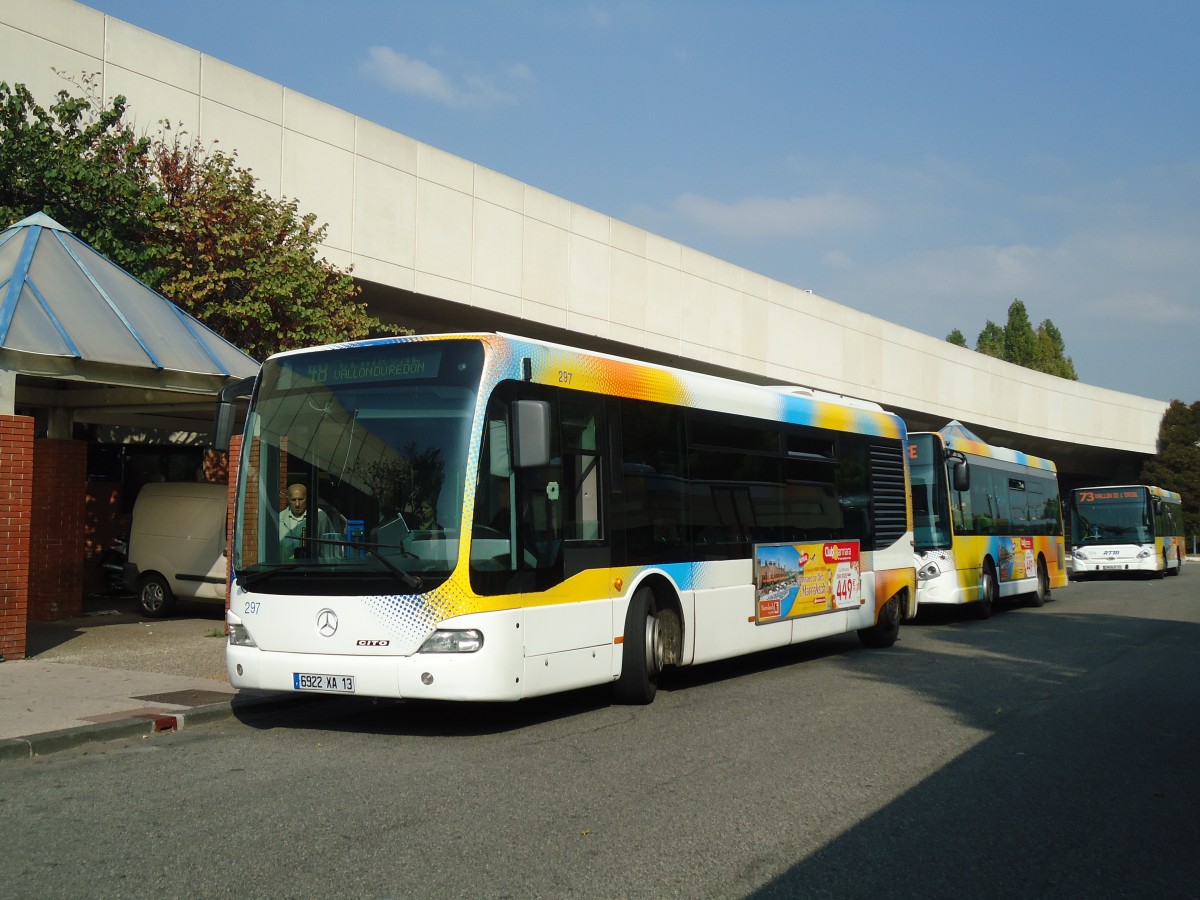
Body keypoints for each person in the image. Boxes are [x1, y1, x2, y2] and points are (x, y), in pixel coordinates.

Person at [280, 483, 335, 559]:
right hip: (284, 569)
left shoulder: (320, 517)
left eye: (301, 499)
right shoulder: (280, 519)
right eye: (293, 500)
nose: (297, 504)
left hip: (311, 568)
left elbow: (330, 549)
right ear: (287, 499)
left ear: (307, 498)